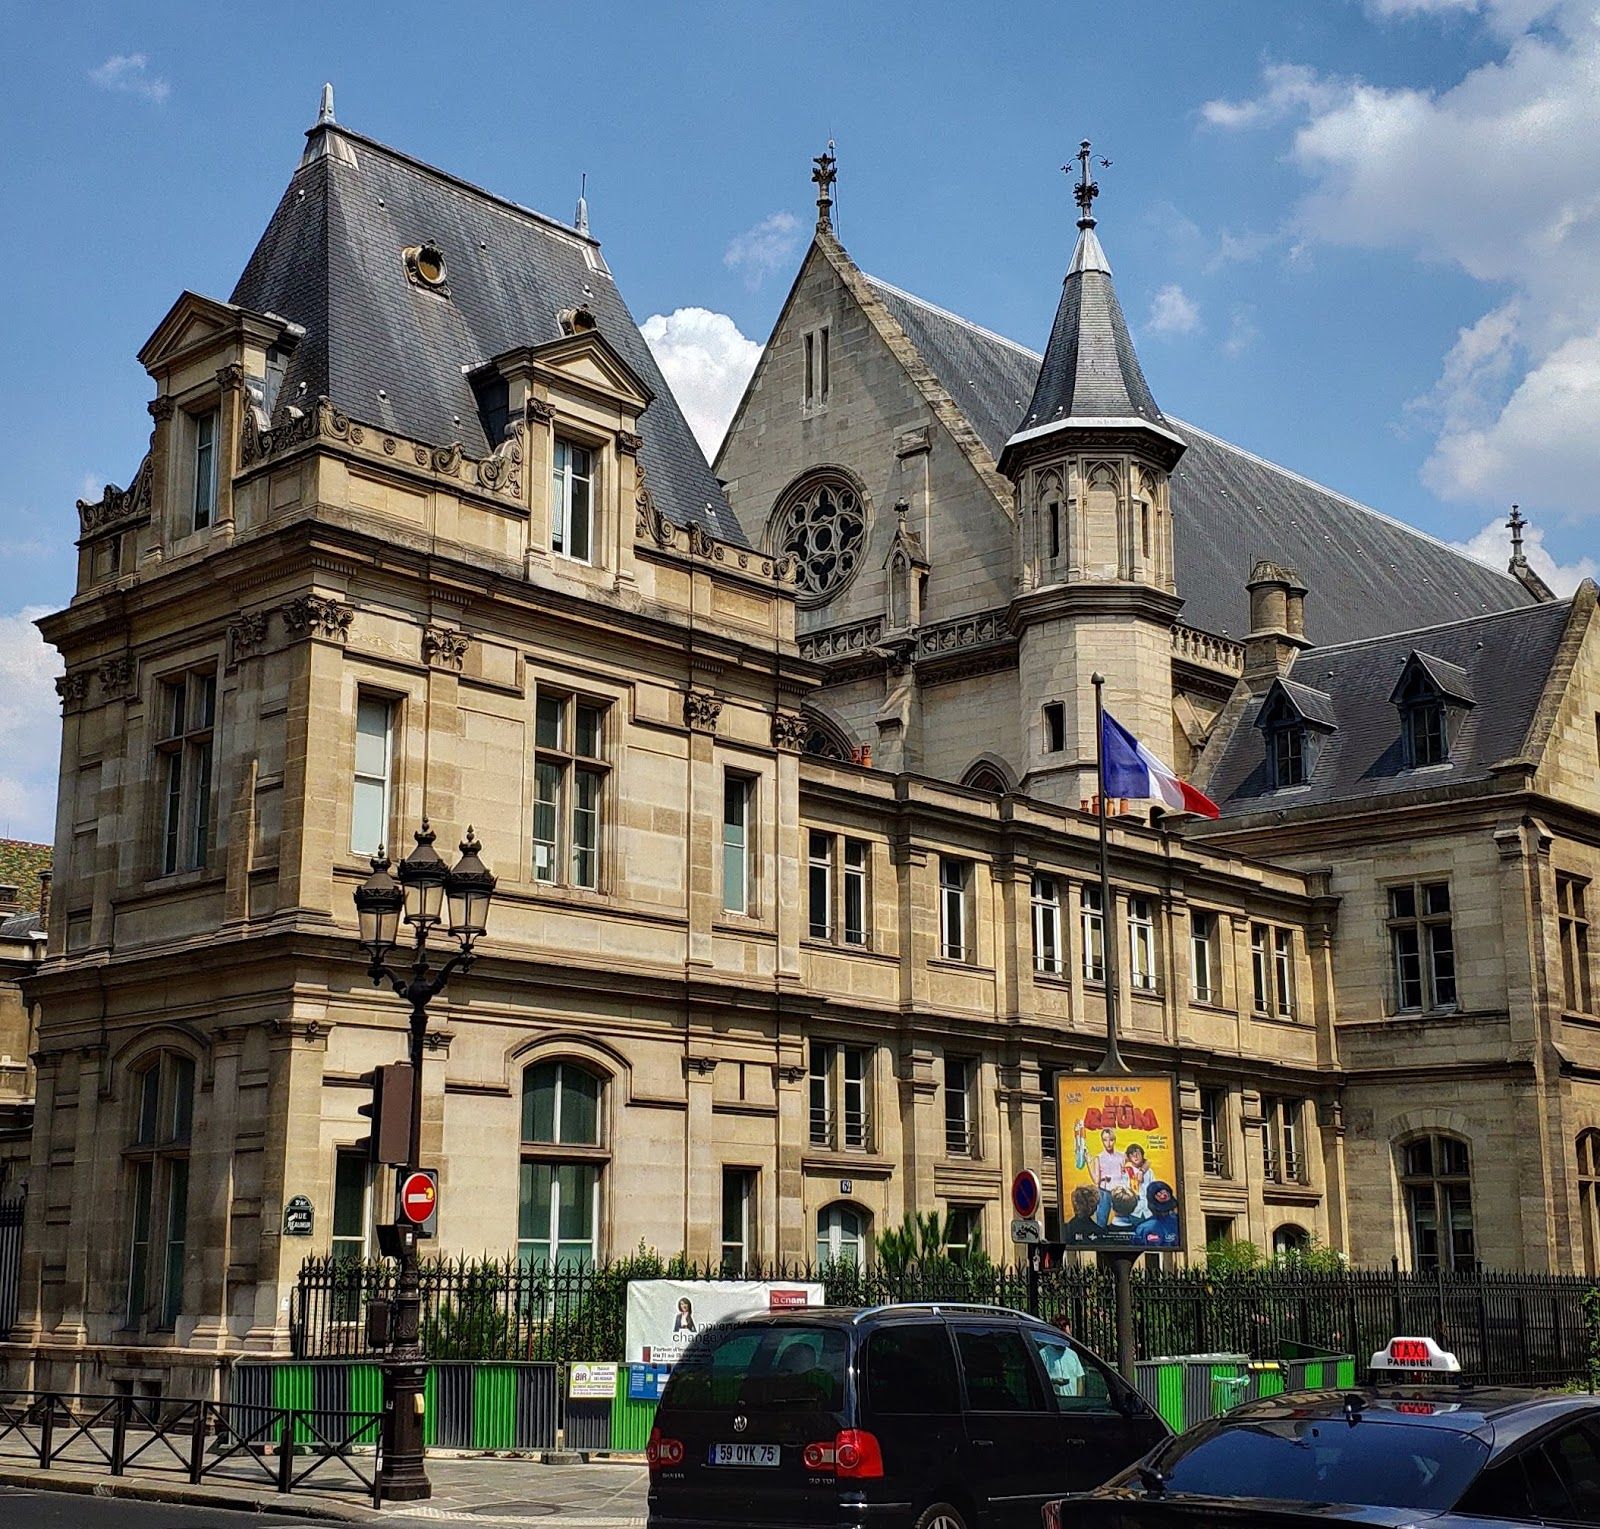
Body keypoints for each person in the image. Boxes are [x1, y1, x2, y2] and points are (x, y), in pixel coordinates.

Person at [1091, 1126, 1122, 1225]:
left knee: (1125, 1219)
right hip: (1104, 1191)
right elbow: (1096, 1181)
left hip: (1119, 1191)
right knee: (1101, 1221)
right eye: (1105, 1140)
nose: (1108, 1143)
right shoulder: (1099, 1157)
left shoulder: (1121, 1156)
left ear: (1115, 1140)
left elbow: (1145, 1162)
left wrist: (1141, 1171)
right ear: (1102, 1141)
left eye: (1111, 1140)